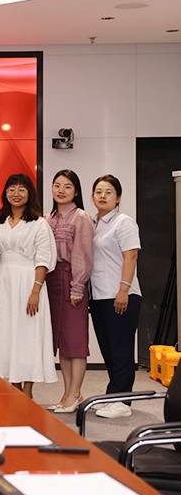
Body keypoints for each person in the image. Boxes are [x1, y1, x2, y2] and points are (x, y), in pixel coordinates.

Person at [0, 174, 57, 397]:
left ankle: (27, 390)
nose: (16, 194)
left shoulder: (39, 223)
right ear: (5, 193)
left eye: (22, 189)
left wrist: (36, 290)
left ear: (30, 194)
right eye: (11, 189)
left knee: (28, 335)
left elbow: (43, 259)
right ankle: (14, 388)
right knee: (5, 334)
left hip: (29, 283)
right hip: (3, 284)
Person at [89, 174, 142, 419]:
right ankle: (114, 396)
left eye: (109, 192)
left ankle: (122, 402)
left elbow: (131, 257)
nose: (103, 196)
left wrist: (123, 290)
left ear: (118, 197)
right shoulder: (93, 223)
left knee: (121, 350)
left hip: (121, 294)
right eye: (99, 191)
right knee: (108, 350)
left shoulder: (124, 222)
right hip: (98, 296)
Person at [45, 169, 94, 413]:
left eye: (67, 186)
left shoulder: (81, 217)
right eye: (57, 185)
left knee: (75, 341)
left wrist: (77, 286)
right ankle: (69, 392)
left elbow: (83, 254)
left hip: (72, 280)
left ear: (76, 191)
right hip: (51, 282)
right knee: (62, 341)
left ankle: (74, 393)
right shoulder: (48, 218)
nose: (61, 190)